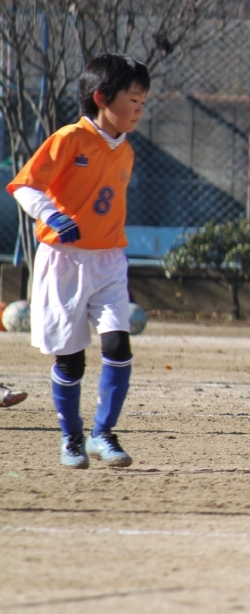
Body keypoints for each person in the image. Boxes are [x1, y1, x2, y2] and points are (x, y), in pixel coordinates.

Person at [6, 53, 149, 468]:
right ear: (102, 98)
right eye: (133, 100)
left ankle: (103, 433)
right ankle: (71, 438)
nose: (139, 109)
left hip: (109, 261)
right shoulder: (69, 138)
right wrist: (52, 215)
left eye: (143, 102)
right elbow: (24, 186)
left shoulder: (126, 150)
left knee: (118, 345)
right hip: (63, 261)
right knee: (70, 360)